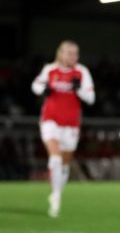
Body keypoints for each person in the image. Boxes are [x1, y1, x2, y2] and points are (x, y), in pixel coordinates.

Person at [31, 40, 95, 217]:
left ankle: (57, 192)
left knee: (65, 164)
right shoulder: (50, 70)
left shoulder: (81, 72)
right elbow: (35, 85)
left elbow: (91, 98)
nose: (73, 56)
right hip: (50, 120)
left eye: (76, 53)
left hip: (71, 123)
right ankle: (56, 197)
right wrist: (43, 90)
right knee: (55, 159)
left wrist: (79, 89)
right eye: (70, 53)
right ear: (60, 54)